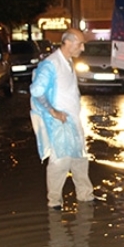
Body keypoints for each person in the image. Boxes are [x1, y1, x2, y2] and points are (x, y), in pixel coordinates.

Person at [30, 28, 95, 211]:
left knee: (80, 157)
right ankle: (55, 202)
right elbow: (36, 91)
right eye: (80, 43)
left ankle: (85, 196)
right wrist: (53, 112)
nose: (82, 48)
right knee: (60, 161)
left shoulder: (67, 62)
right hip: (59, 123)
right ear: (67, 42)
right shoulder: (51, 64)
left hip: (72, 120)